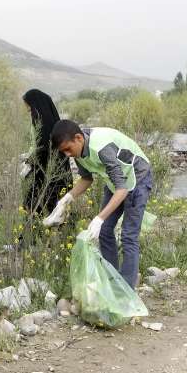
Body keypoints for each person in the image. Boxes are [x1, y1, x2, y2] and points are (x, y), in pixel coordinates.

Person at [45, 120, 153, 289]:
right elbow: (87, 179)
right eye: (62, 151)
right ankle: (113, 281)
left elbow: (123, 189)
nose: (66, 155)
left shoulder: (101, 148)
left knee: (128, 236)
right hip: (116, 183)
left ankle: (126, 292)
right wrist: (65, 200)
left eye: (67, 149)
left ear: (78, 138)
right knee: (104, 232)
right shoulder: (79, 150)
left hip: (137, 179)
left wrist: (99, 218)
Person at [21, 89, 72, 215]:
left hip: (48, 170)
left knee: (42, 203)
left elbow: (43, 147)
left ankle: (38, 230)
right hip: (45, 168)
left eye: (30, 108)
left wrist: (29, 163)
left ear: (36, 107)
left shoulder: (43, 124)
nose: (29, 112)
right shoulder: (50, 122)